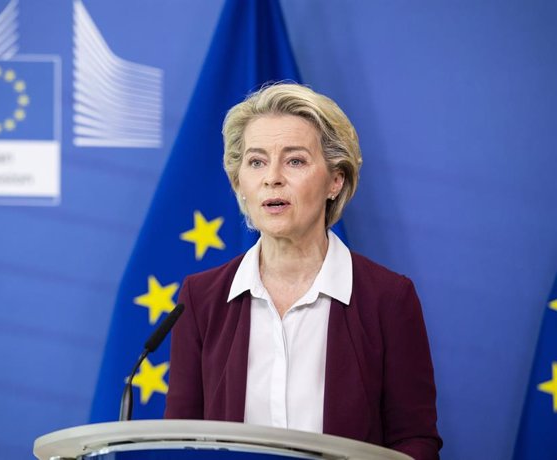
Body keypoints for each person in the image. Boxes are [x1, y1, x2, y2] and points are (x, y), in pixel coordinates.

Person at [164, 83, 442, 460]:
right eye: (256, 161)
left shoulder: (387, 298)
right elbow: (181, 440)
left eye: (294, 161)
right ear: (239, 183)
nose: (272, 177)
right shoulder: (202, 298)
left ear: (335, 181)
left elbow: (415, 441)